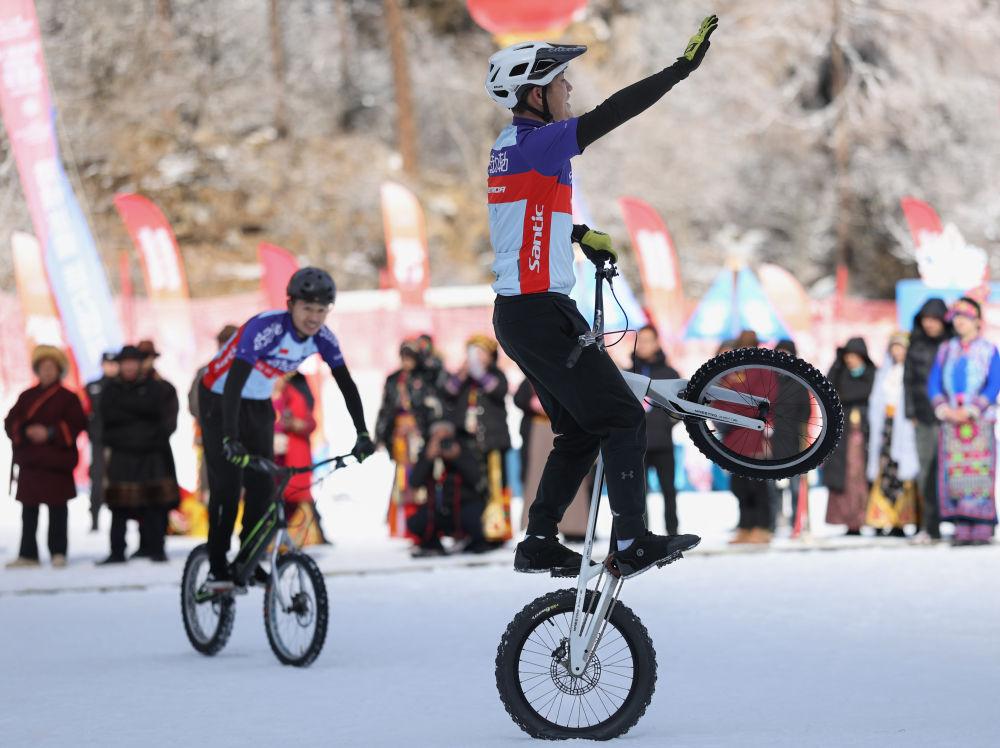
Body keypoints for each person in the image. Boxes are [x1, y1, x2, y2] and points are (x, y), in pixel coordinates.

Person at [484, 17, 717, 576]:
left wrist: (577, 234)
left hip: (526, 312)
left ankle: (539, 539)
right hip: (538, 312)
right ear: (534, 94)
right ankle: (632, 539)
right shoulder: (539, 142)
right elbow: (612, 113)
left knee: (581, 430)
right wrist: (678, 71)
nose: (569, 89)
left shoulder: (513, 147)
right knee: (622, 415)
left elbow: (524, 221)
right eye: (560, 82)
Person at [199, 267, 375, 589]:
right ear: (291, 304)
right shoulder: (266, 328)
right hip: (219, 398)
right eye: (307, 308)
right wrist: (230, 437)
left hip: (258, 402)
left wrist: (362, 433)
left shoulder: (322, 338)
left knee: (265, 486)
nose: (314, 318)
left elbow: (346, 385)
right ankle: (216, 565)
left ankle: (248, 559)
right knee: (227, 485)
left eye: (322, 310)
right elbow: (235, 382)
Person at [4, 346, 86, 568]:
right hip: (31, 462)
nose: (47, 371)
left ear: (58, 370)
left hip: (56, 462)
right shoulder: (27, 396)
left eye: (51, 367)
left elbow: (77, 424)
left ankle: (58, 552)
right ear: (37, 370)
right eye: (43, 367)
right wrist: (26, 431)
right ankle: (28, 554)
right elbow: (11, 422)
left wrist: (50, 433)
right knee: (28, 511)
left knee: (58, 509)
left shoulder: (68, 398)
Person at [98, 345, 180, 564]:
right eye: (125, 362)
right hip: (122, 455)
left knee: (155, 503)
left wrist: (137, 431)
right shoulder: (111, 390)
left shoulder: (158, 389)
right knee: (119, 506)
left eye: (133, 362)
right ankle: (117, 551)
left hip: (152, 454)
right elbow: (105, 422)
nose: (129, 367)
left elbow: (166, 423)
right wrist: (139, 427)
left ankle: (156, 548)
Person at [928, 297, 999, 546]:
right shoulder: (946, 349)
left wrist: (973, 408)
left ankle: (981, 524)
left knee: (979, 471)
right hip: (951, 421)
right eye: (956, 317)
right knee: (955, 471)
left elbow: (994, 382)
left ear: (977, 321)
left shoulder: (989, 350)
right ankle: (961, 524)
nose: (959, 322)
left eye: (965, 317)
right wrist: (944, 408)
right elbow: (934, 381)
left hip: (978, 421)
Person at [443, 335, 512, 542]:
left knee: (494, 486)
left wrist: (479, 373)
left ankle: (495, 531)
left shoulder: (496, 375)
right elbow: (447, 392)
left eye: (481, 353)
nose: (476, 358)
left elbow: (498, 390)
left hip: (491, 443)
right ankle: (469, 530)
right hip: (466, 443)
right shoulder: (463, 379)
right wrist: (464, 373)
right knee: (468, 488)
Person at [376, 339, 445, 538]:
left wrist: (417, 426)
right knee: (402, 476)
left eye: (411, 357)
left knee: (421, 475)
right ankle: (401, 524)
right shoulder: (393, 380)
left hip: (419, 433)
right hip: (399, 435)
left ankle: (421, 521)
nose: (407, 361)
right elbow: (386, 410)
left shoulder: (426, 377)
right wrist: (380, 435)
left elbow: (432, 404)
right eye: (404, 357)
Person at [515, 377, 592, 540]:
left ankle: (574, 527)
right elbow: (519, 398)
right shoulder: (531, 377)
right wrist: (531, 403)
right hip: (539, 431)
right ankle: (538, 527)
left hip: (566, 429)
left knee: (571, 477)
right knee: (538, 479)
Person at [903, 298, 950, 542]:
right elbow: (908, 381)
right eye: (926, 320)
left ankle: (964, 523)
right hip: (923, 416)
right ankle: (930, 526)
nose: (930, 324)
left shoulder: (952, 344)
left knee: (954, 470)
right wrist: (911, 412)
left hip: (951, 416)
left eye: (934, 319)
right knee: (926, 471)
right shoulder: (916, 345)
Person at [406, 421, 488, 556]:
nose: (442, 442)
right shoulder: (428, 452)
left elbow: (476, 479)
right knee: (416, 521)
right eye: (437, 437)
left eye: (446, 436)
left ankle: (471, 542)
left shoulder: (464, 449)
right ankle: (432, 543)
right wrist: (427, 458)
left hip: (463, 506)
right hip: (437, 509)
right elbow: (414, 482)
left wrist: (458, 458)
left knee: (475, 519)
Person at [865, 333, 919, 537]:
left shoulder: (912, 372)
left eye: (901, 347)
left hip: (905, 426)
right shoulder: (885, 373)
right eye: (894, 347)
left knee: (904, 471)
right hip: (887, 427)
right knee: (885, 470)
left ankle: (902, 520)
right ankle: (881, 519)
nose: (897, 352)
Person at [629, 325, 681, 535]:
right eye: (640, 341)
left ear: (657, 343)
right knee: (638, 493)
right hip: (636, 443)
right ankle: (641, 533)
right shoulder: (629, 373)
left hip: (663, 442)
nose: (644, 345)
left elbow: (680, 405)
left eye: (648, 340)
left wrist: (667, 422)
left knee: (669, 490)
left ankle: (672, 531)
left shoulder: (670, 373)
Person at [725, 331, 774, 545]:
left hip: (755, 434)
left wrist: (736, 410)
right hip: (734, 436)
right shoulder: (731, 369)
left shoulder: (763, 369)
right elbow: (720, 400)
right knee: (740, 486)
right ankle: (745, 526)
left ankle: (763, 527)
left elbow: (764, 401)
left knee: (758, 485)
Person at [824, 337, 876, 535]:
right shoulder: (840, 374)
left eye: (853, 356)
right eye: (847, 356)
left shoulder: (872, 375)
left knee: (860, 476)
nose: (850, 360)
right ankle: (849, 520)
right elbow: (827, 388)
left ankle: (864, 517)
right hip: (844, 436)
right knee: (845, 478)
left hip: (865, 435)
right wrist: (837, 364)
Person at [273, 372, 328, 546]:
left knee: (294, 494)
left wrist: (295, 424)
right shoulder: (263, 394)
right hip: (272, 455)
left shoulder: (295, 393)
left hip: (293, 454)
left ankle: (293, 539)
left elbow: (310, 422)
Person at [189, 324, 239, 504]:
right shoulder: (206, 372)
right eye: (224, 343)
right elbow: (195, 405)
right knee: (212, 492)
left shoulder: (250, 372)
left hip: (242, 442)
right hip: (212, 439)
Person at [83, 351, 119, 531]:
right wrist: (90, 432)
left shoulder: (123, 387)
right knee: (97, 479)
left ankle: (120, 519)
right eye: (108, 363)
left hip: (120, 442)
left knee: (118, 479)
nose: (111, 367)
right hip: (98, 440)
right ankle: (94, 517)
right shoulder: (92, 387)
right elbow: (85, 412)